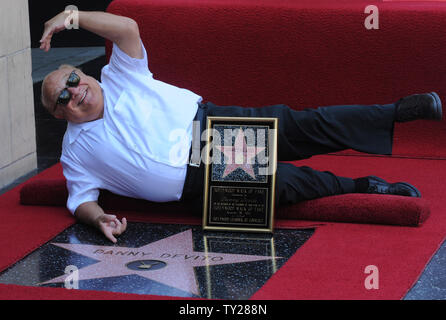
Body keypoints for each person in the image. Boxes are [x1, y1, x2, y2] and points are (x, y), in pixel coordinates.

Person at [40, 10, 442, 243]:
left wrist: (73, 15)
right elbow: (80, 200)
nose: (73, 93)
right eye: (62, 98)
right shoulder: (75, 152)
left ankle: (395, 113)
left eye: (72, 80)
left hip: (211, 128)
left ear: (83, 74)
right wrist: (99, 219)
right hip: (197, 184)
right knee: (289, 185)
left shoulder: (119, 75)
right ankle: (366, 187)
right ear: (60, 116)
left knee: (307, 127)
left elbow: (126, 28)